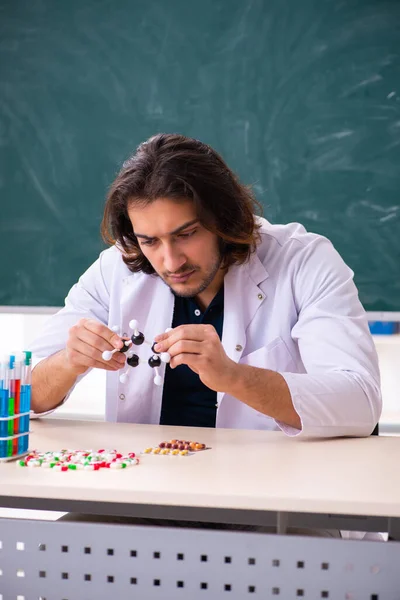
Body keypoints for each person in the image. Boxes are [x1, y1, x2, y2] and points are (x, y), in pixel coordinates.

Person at [30, 133, 381, 437]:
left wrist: (234, 377)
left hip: (268, 495)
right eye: (150, 241)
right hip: (142, 486)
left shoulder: (303, 261)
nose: (170, 262)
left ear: (224, 217)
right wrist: (68, 362)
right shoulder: (116, 269)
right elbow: (16, 395)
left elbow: (360, 404)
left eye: (185, 234)